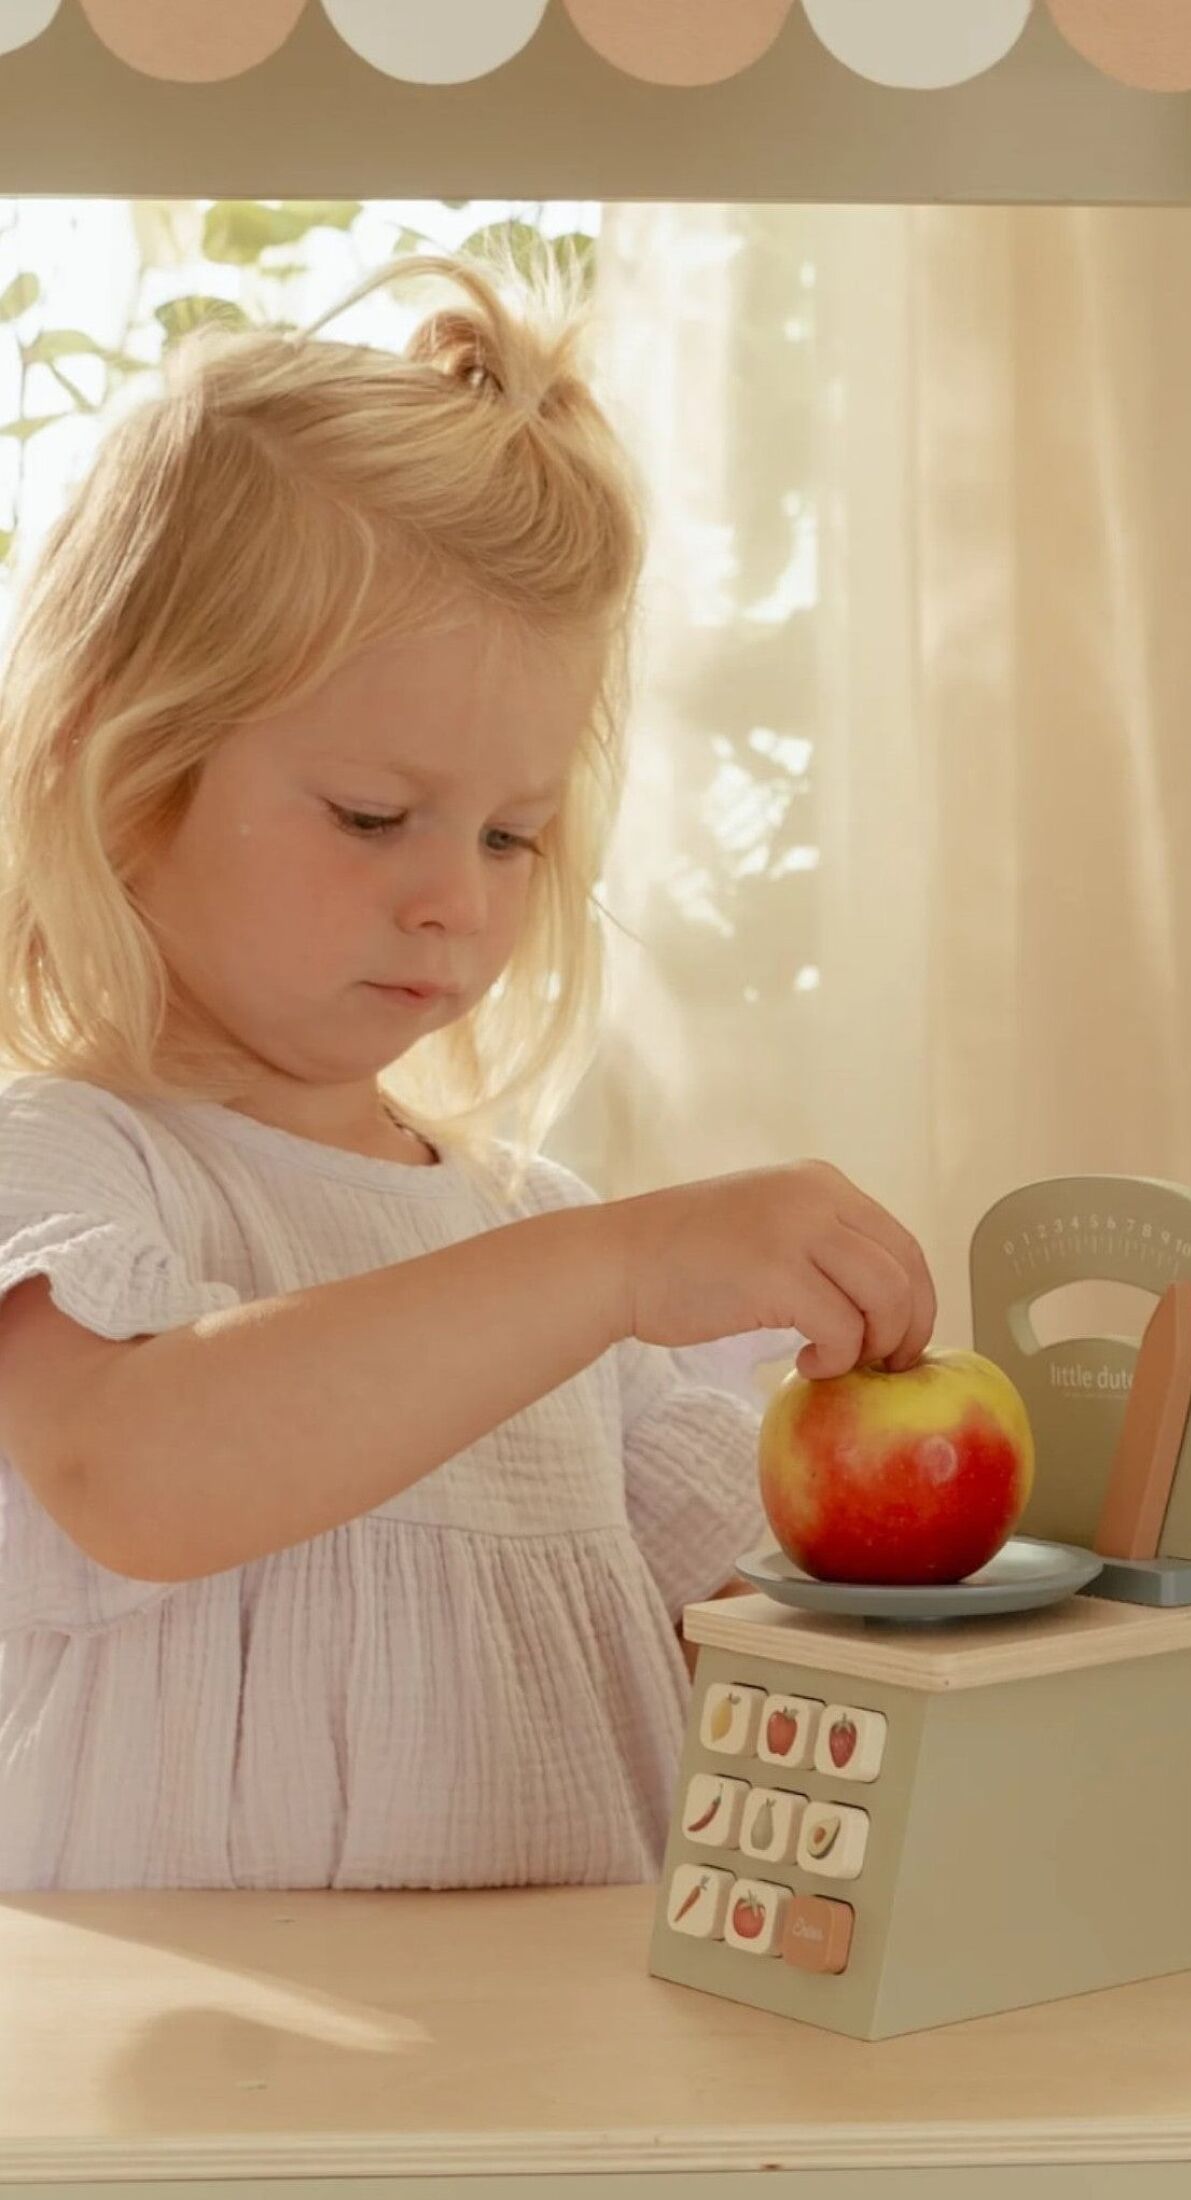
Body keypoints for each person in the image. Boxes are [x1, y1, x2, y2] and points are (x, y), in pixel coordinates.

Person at [0, 249, 936, 1892]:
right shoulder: (69, 1177)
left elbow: (767, 1645)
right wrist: (622, 1263)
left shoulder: (536, 1245)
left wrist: (954, 1529)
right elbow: (134, 1475)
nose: (458, 897)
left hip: (557, 2091)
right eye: (372, 815)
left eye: (514, 834)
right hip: (180, 2127)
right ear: (122, 767)